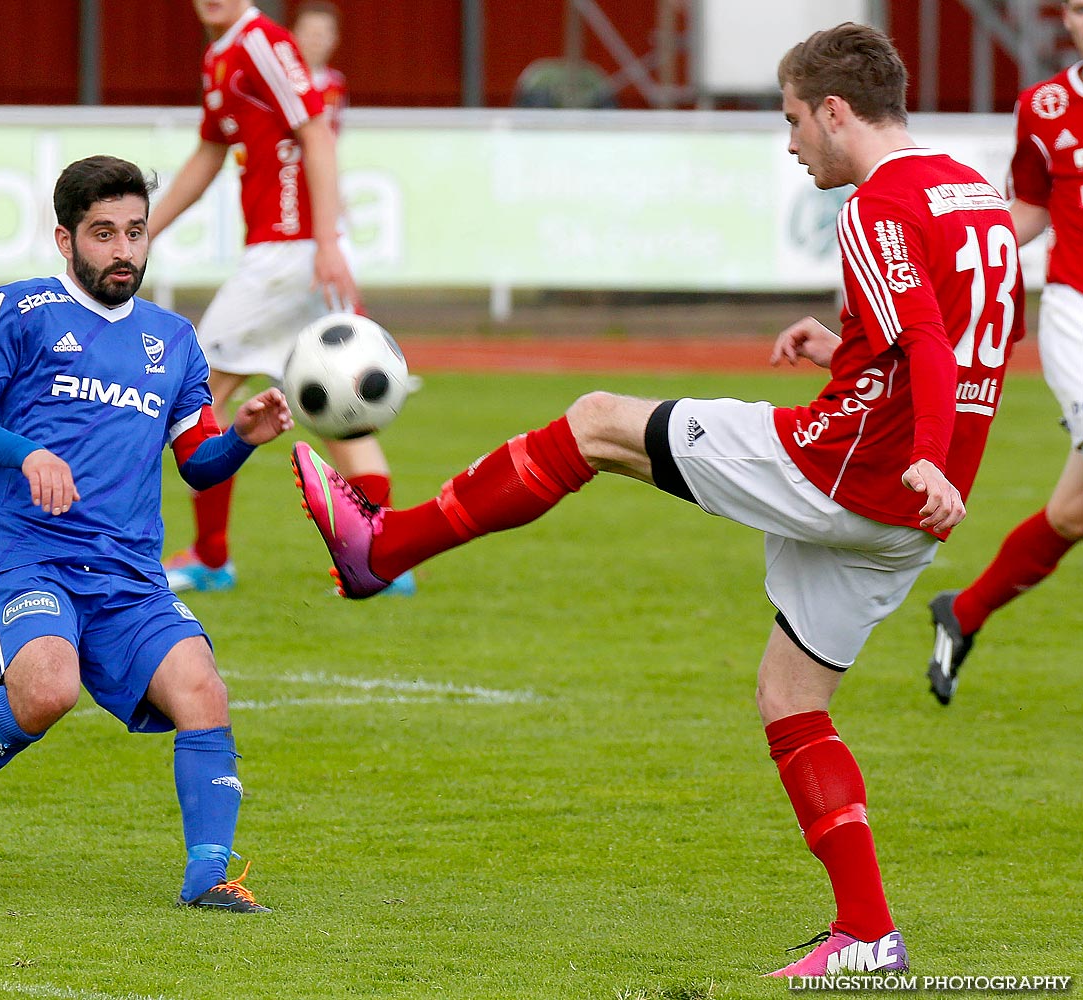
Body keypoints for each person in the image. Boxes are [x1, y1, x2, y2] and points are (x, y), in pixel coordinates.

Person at [292, 23, 1024, 976]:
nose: (791, 140)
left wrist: (916, 448)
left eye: (795, 118)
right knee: (790, 697)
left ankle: (381, 551)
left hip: (846, 467)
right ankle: (866, 933)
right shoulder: (972, 191)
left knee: (596, 421)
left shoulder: (872, 203)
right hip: (907, 513)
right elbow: (959, 332)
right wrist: (847, 350)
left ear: (836, 112)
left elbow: (926, 339)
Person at [0, 154, 292, 912]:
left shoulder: (172, 340)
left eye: (135, 232)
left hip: (126, 573)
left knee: (202, 691)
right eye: (104, 233)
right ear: (64, 238)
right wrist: (28, 452)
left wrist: (242, 437)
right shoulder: (18, 311)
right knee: (47, 690)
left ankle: (209, 875)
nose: (123, 250)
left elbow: (200, 466)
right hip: (21, 554)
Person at [151, 0, 413, 596]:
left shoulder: (261, 43)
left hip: (287, 254)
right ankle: (387, 556)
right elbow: (208, 155)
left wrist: (324, 241)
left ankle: (212, 557)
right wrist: (147, 232)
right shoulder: (221, 57)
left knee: (199, 393)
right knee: (336, 407)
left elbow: (316, 132)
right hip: (289, 254)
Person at [924, 0, 1083, 705]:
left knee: (1072, 513)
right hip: (1076, 315)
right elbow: (1033, 206)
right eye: (1075, 8)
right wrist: (960, 253)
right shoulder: (1043, 106)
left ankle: (962, 613)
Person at [291, 1, 347, 138]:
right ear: (293, 34)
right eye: (308, 33)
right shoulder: (283, 80)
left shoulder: (337, 83)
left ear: (334, 39)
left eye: (321, 35)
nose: (315, 41)